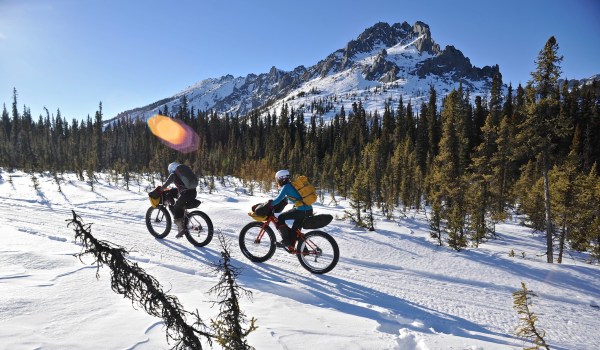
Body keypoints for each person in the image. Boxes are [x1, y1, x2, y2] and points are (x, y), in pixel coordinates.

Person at [271, 169, 313, 247]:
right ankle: (302, 250)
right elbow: (286, 200)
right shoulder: (292, 185)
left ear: (281, 179)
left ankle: (286, 241)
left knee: (281, 217)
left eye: (277, 179)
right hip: (308, 209)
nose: (277, 182)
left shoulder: (286, 187)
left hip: (301, 210)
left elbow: (278, 199)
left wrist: (270, 204)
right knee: (295, 231)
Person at [159, 162, 199, 238]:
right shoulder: (182, 174)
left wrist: (160, 189)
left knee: (176, 207)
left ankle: (181, 229)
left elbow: (166, 184)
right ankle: (185, 218)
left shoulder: (173, 175)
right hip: (193, 192)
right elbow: (180, 188)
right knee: (179, 202)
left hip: (186, 194)